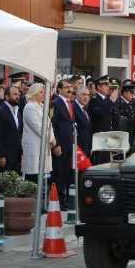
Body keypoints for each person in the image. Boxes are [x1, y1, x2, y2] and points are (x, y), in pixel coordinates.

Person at [22, 83, 60, 186]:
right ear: (34, 93)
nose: (44, 94)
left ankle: (41, 200)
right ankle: (32, 201)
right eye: (41, 92)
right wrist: (51, 140)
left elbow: (49, 125)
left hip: (44, 146)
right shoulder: (29, 107)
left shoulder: (42, 106)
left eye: (44, 92)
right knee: (33, 178)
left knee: (43, 178)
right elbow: (39, 128)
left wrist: (52, 138)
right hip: (35, 147)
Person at [51, 79, 75, 209]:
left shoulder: (69, 103)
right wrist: (56, 144)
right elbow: (53, 125)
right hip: (60, 145)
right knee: (59, 173)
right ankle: (59, 200)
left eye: (70, 87)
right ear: (59, 89)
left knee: (67, 172)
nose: (69, 89)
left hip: (70, 144)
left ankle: (66, 198)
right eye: (66, 87)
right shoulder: (56, 103)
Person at [0, 86, 23, 173]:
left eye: (18, 94)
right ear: (6, 96)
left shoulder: (18, 112)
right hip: (5, 157)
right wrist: (1, 155)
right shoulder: (0, 111)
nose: (17, 96)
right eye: (14, 94)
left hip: (17, 156)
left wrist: (21, 153)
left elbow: (20, 133)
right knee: (4, 184)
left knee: (15, 184)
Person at [88, 76, 114, 164]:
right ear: (98, 87)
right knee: (100, 163)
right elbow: (100, 113)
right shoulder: (94, 100)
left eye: (108, 85)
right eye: (105, 85)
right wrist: (110, 101)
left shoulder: (106, 100)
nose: (108, 87)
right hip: (99, 138)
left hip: (107, 137)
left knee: (107, 162)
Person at [74, 86, 92, 157]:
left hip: (85, 148)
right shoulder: (72, 107)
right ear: (77, 95)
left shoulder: (85, 109)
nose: (86, 97)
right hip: (77, 149)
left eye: (88, 95)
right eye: (83, 94)